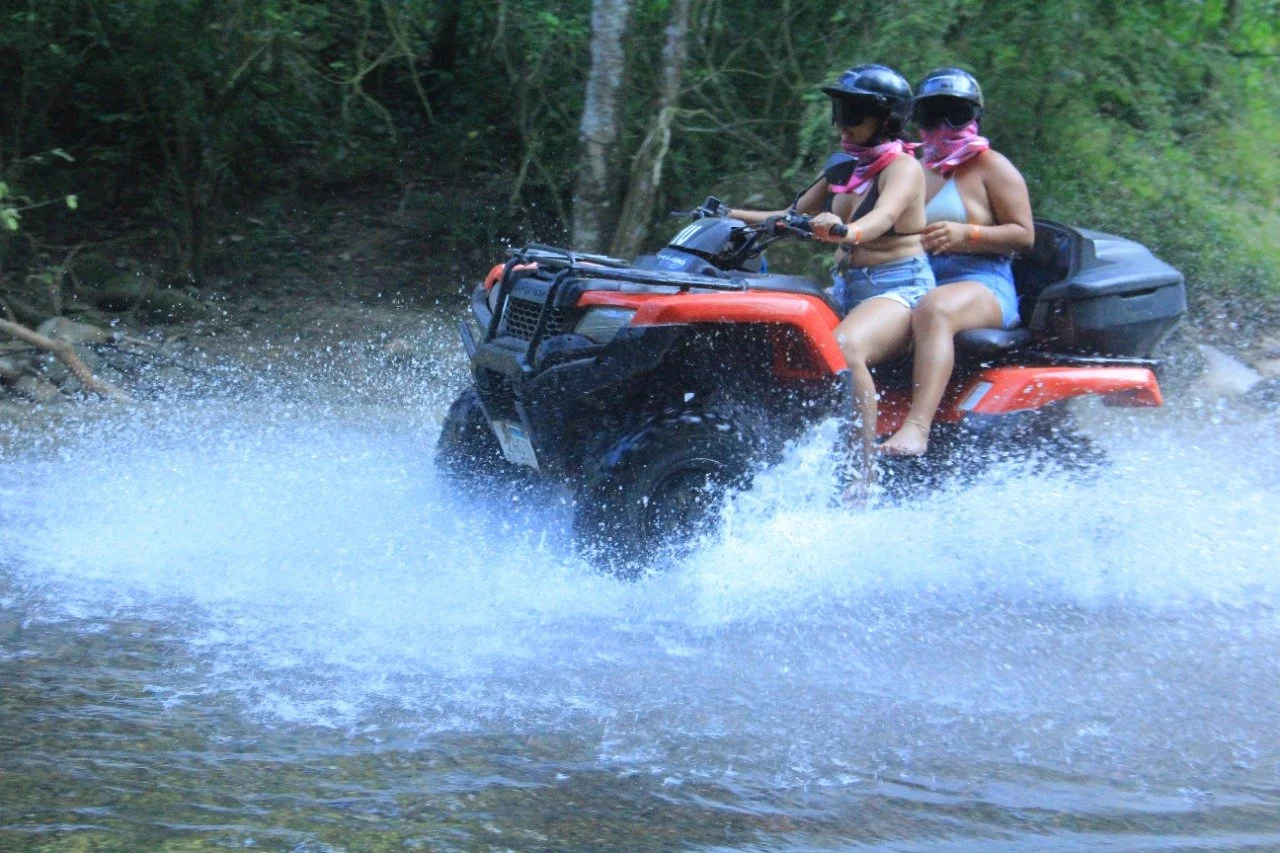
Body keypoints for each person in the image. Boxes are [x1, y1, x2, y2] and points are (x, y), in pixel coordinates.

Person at [728, 64, 932, 480]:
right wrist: (727, 215)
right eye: (839, 112)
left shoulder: (903, 167)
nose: (842, 124)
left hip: (900, 288)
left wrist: (846, 231)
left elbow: (883, 216)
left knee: (844, 347)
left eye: (852, 114)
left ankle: (861, 477)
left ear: (886, 119)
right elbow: (788, 215)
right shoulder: (845, 164)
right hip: (849, 286)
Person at [880, 68, 1035, 456]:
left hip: (982, 282)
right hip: (916, 277)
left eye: (956, 114)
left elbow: (1024, 235)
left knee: (935, 309)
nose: (944, 127)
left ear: (974, 117)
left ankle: (917, 428)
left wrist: (969, 234)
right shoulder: (913, 168)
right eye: (932, 116)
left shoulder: (990, 166)